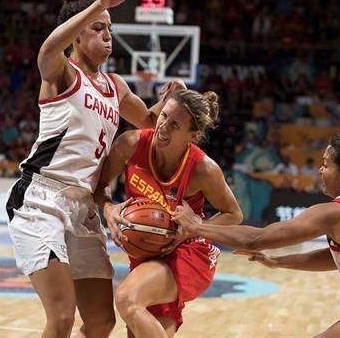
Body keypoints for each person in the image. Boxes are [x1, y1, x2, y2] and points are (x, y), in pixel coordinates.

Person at [4, 0, 185, 338]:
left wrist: (169, 99)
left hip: (83, 207)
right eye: (98, 29)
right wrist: (100, 2)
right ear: (76, 35)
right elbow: (45, 51)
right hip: (42, 200)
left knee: (102, 321)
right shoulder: (62, 73)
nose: (108, 37)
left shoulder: (114, 86)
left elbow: (149, 121)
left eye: (110, 30)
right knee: (61, 317)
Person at [171, 121, 340, 338]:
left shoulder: (335, 213)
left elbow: (255, 238)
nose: (320, 170)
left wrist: (197, 226)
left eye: (326, 165)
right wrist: (277, 261)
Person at [94, 89, 243, 337]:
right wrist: (109, 209)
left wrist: (193, 228)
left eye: (175, 124)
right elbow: (100, 185)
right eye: (163, 116)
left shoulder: (203, 169)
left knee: (126, 299)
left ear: (192, 136)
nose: (163, 126)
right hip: (149, 249)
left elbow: (233, 213)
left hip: (188, 251)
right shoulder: (131, 144)